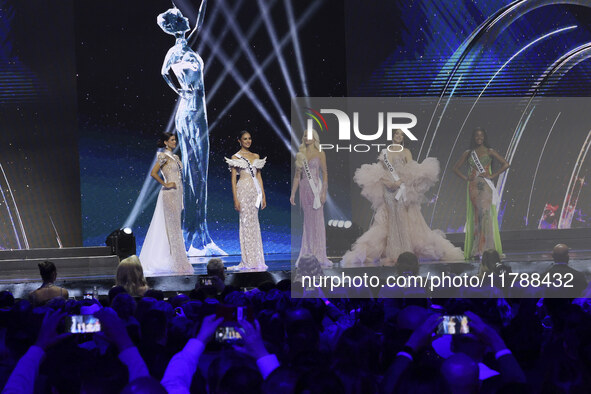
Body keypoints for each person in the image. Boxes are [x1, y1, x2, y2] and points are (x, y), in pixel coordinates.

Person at [157, 2, 224, 257]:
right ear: (174, 26)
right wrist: (179, 90)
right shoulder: (174, 53)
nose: (186, 19)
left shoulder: (187, 44)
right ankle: (195, 235)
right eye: (180, 17)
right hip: (189, 114)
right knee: (195, 174)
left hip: (198, 112)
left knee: (201, 174)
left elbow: (200, 18)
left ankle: (202, 235)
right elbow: (163, 73)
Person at [342, 130, 463, 267]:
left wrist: (401, 182)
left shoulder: (406, 152)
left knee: (401, 218)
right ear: (392, 136)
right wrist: (388, 183)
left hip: (401, 189)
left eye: (401, 135)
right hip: (388, 190)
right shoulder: (385, 153)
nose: (399, 137)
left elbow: (411, 170)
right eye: (396, 134)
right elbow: (380, 171)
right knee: (392, 220)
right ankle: (394, 252)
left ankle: (405, 252)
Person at [140, 132, 193, 275]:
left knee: (175, 226)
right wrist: (165, 183)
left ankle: (176, 258)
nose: (175, 142)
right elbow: (153, 173)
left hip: (177, 194)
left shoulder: (175, 157)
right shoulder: (163, 156)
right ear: (165, 142)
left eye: (175, 139)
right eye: (172, 140)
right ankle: (173, 259)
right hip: (169, 194)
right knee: (172, 226)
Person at [453, 127, 509, 260]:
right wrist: (466, 178)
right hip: (473, 187)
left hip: (485, 186)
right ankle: (478, 248)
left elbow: (506, 164)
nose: (479, 138)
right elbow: (455, 168)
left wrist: (492, 175)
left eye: (481, 136)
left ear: (484, 137)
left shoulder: (490, 151)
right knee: (477, 216)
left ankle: (487, 248)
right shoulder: (468, 153)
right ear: (474, 137)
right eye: (476, 136)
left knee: (485, 214)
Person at [225, 131, 268, 271]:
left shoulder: (256, 156)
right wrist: (235, 199)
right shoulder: (235, 157)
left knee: (254, 224)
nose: (248, 141)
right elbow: (233, 179)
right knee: (245, 223)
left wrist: (263, 195)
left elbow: (259, 177)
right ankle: (247, 260)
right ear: (239, 140)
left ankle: (257, 259)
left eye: (249, 138)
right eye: (245, 139)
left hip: (255, 193)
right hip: (243, 190)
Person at [290, 130, 330, 267]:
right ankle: (307, 254)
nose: (307, 137)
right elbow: (297, 176)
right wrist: (293, 193)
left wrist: (324, 192)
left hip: (316, 189)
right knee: (307, 222)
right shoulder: (300, 155)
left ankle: (318, 254)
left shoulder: (320, 153)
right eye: (305, 135)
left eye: (309, 135)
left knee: (318, 221)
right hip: (305, 190)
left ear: (315, 138)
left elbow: (325, 173)